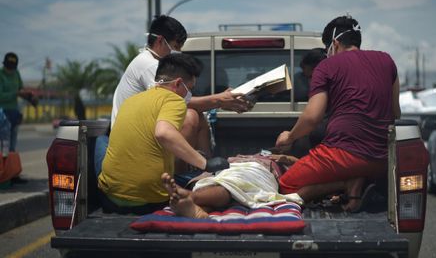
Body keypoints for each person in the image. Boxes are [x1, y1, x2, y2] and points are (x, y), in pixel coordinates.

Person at [96, 15, 250, 181]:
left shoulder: (154, 62)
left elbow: (188, 102)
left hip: (144, 131)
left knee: (197, 115)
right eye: (176, 46)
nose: (179, 52)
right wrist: (219, 100)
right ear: (161, 41)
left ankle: (207, 172)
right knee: (191, 115)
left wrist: (219, 101)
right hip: (137, 140)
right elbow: (182, 104)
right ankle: (180, 176)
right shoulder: (149, 65)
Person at [275, 15, 401, 212]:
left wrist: (289, 137)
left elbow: (312, 117)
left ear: (334, 43)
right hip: (381, 160)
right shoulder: (387, 61)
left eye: (327, 49)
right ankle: (357, 181)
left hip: (341, 156)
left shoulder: (326, 66)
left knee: (285, 186)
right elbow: (395, 113)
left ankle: (345, 184)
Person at [97, 53, 231, 215]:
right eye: (191, 89)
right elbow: (164, 133)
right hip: (148, 200)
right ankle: (193, 207)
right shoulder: (174, 100)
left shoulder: (132, 100)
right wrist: (205, 164)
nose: (189, 94)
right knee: (216, 191)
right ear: (179, 83)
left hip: (109, 197)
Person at [160, 153, 303, 219]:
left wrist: (284, 157)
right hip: (227, 167)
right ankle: (197, 207)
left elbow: (300, 163)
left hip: (256, 170)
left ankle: (192, 197)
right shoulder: (241, 156)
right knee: (211, 181)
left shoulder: (274, 161)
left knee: (230, 184)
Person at [0, 52, 32, 184]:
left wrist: (27, 95)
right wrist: (16, 93)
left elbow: (21, 88)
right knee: (3, 145)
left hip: (14, 111)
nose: (10, 71)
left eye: (12, 68)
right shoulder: (0, 74)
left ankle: (11, 174)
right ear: (4, 64)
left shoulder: (16, 73)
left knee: (11, 145)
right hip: (2, 113)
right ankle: (3, 174)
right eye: (9, 68)